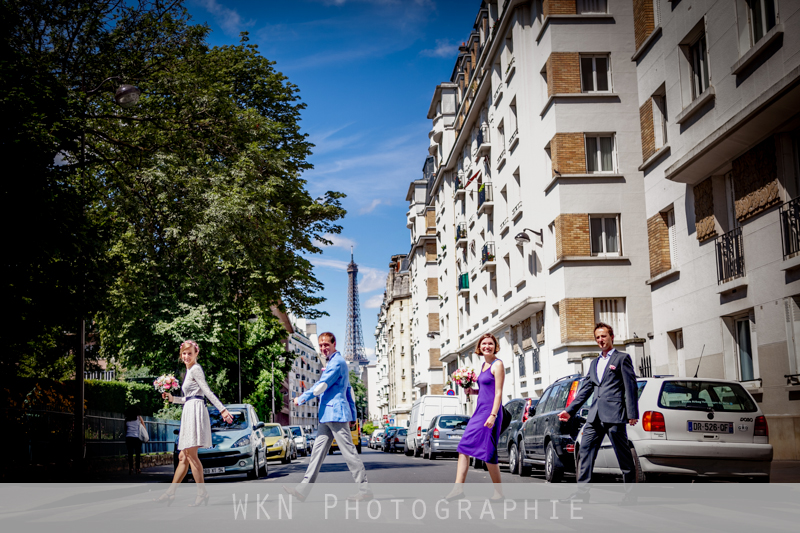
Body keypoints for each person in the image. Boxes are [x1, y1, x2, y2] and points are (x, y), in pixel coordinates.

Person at [284, 332, 371, 502]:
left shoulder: (336, 362)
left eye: (326, 345)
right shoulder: (335, 362)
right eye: (321, 345)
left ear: (334, 344)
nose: (323, 348)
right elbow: (348, 390)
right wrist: (353, 414)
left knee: (349, 452)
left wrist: (300, 399)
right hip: (327, 415)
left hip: (335, 414)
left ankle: (365, 489)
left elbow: (321, 386)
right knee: (316, 454)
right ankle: (303, 489)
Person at [558, 322, 639, 484]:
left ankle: (631, 494)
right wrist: (570, 410)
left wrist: (632, 414)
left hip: (614, 415)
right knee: (585, 451)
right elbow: (586, 389)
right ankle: (582, 492)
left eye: (603, 336)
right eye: (597, 337)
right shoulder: (594, 363)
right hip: (594, 416)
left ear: (611, 337)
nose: (600, 340)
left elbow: (631, 387)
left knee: (623, 456)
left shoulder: (622, 358)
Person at [157, 340, 233, 506]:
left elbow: (206, 391)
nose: (186, 356)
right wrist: (173, 398)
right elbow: (189, 397)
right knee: (183, 456)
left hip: (195, 412)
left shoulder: (196, 369)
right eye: (184, 353)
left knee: (191, 455)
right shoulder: (189, 370)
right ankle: (171, 492)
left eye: (189, 353)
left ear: (196, 353)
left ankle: (202, 493)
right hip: (190, 408)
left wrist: (222, 409)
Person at [444, 333, 505, 501]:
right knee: (464, 447)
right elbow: (487, 390)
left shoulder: (497, 364)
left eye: (490, 344)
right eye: (484, 344)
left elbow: (498, 393)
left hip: (490, 412)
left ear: (495, 346)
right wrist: (473, 391)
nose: (487, 346)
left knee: (489, 453)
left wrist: (493, 415)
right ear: (479, 347)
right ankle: (458, 489)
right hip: (479, 411)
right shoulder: (484, 365)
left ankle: (498, 493)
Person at [124, 405, 146, 475]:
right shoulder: (138, 418)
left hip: (128, 438)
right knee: (137, 455)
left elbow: (125, 429)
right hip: (137, 438)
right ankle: (138, 469)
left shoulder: (127, 419)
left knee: (130, 454)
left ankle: (131, 469)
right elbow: (143, 426)